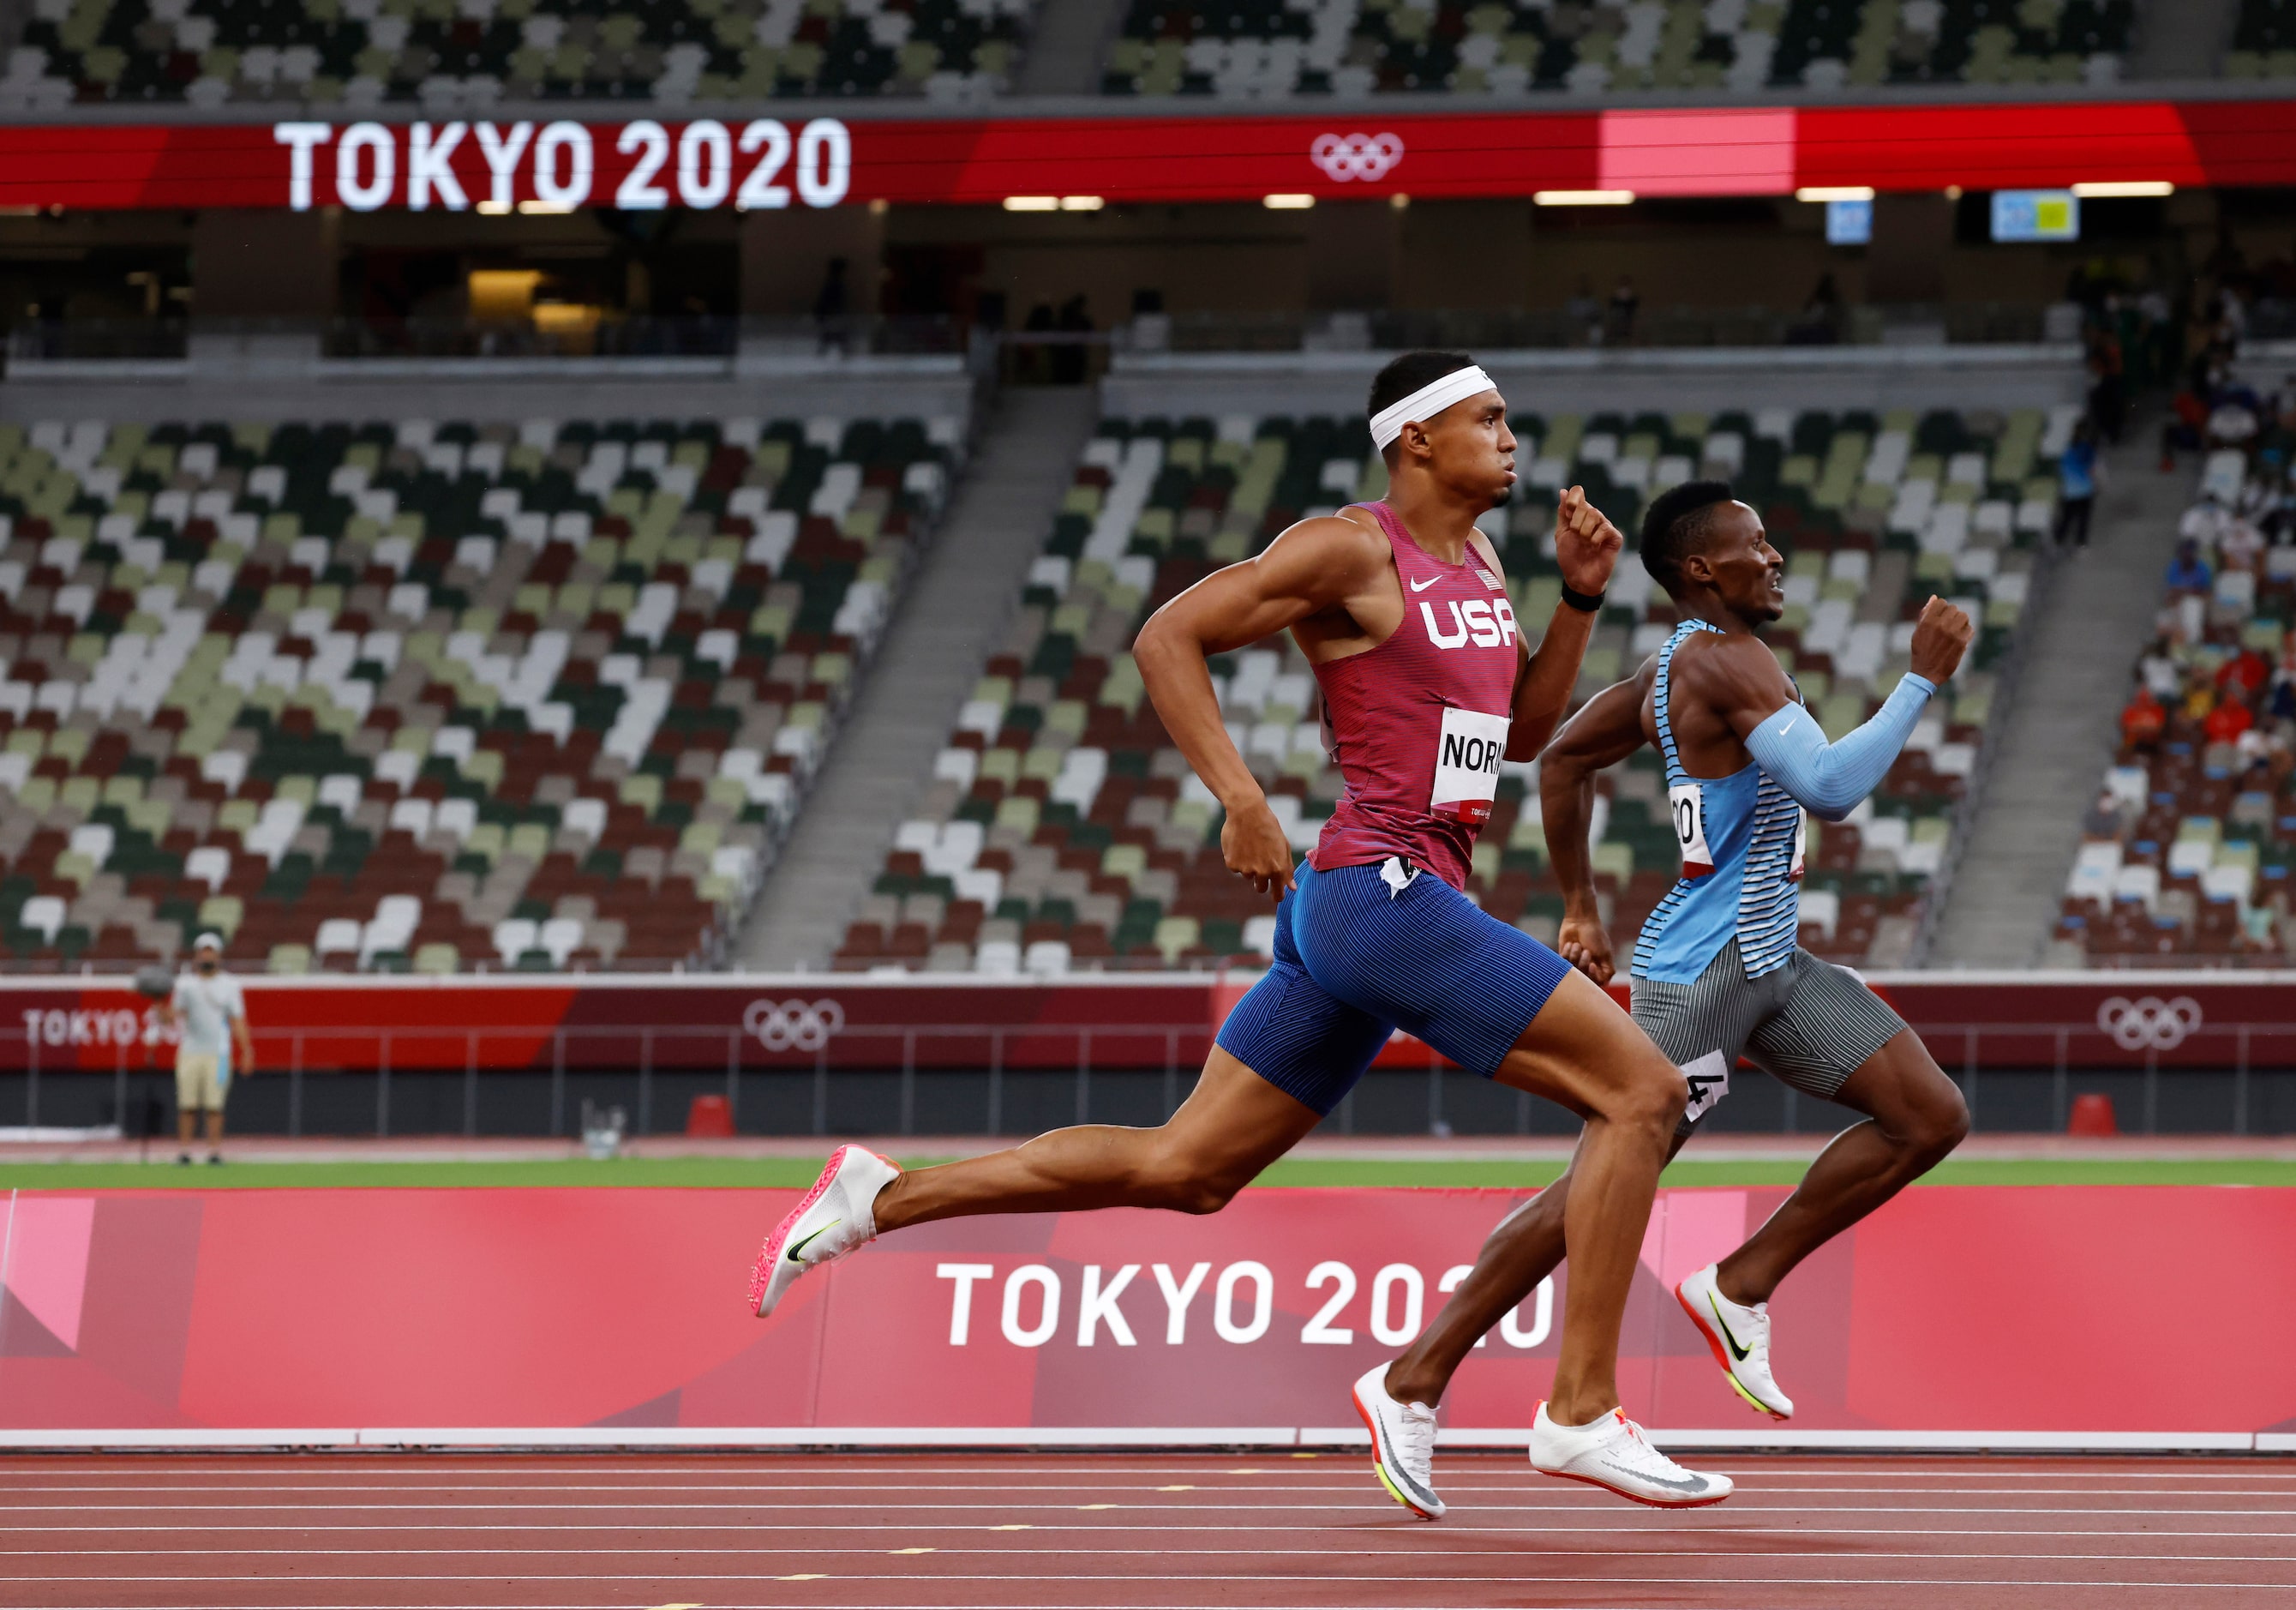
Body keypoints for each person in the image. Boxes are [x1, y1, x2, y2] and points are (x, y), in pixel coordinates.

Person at [752, 351, 1735, 1509]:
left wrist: (1573, 596)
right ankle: (1575, 1408)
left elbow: (1516, 733)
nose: (1512, 437)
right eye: (1488, 418)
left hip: (1368, 911)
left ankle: (879, 1195)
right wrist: (1239, 795)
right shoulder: (1347, 547)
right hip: (1380, 890)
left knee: (1188, 1166)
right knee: (1643, 1094)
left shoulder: (1475, 560)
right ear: (1415, 439)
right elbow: (1167, 635)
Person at [1352, 481, 1975, 1517]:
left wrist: (1583, 904)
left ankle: (1736, 1287)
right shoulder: (1721, 658)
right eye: (1755, 545)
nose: (1773, 558)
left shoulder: (1672, 667)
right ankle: (1412, 1377)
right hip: (1695, 985)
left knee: (1927, 1116)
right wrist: (1918, 683)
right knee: (1587, 1201)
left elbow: (1564, 762)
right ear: (1702, 570)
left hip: (1771, 965)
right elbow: (1827, 785)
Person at [159, 933, 254, 1165]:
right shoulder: (185, 984)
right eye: (203, 951)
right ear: (197, 954)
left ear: (218, 954)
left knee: (214, 1105)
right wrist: (158, 1004)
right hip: (191, 1050)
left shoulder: (230, 985)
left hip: (219, 1052)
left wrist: (247, 1050)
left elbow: (238, 1020)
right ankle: (184, 1151)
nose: (207, 955)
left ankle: (214, 1151)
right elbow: (173, 1017)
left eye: (211, 950)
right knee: (187, 1104)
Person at [2055, 418, 2099, 547]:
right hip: (2084, 489)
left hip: (2069, 490)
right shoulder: (2087, 449)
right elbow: (2092, 468)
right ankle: (2080, 541)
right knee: (2083, 518)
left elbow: (2061, 468)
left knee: (2067, 518)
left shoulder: (2067, 448)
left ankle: (2059, 538)